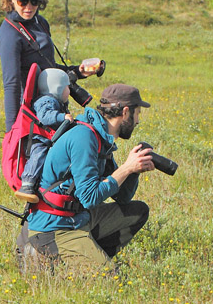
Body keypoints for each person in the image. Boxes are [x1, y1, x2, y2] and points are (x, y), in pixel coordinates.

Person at [22, 84, 154, 272]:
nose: (138, 121)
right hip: (54, 227)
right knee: (110, 279)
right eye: (137, 113)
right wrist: (126, 168)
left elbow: (123, 198)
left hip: (77, 217)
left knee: (137, 212)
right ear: (125, 113)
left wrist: (133, 172)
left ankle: (91, 256)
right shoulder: (85, 137)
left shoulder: (101, 137)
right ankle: (53, 257)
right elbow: (89, 197)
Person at [0, 0, 97, 133]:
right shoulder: (9, 35)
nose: (29, 7)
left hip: (54, 107)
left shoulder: (40, 22)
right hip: (32, 113)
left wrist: (78, 71)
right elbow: (11, 85)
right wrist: (12, 132)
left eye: (34, 1)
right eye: (23, 1)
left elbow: (48, 67)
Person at [15, 68, 74, 203]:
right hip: (39, 139)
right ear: (57, 88)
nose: (69, 92)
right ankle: (27, 184)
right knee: (39, 155)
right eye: (67, 88)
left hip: (49, 138)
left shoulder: (56, 102)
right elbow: (45, 117)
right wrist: (61, 116)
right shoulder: (46, 101)